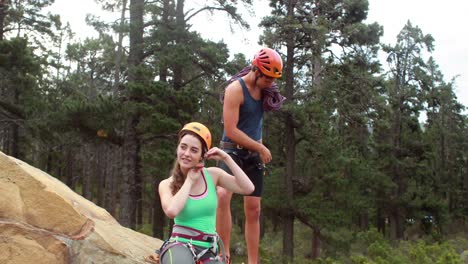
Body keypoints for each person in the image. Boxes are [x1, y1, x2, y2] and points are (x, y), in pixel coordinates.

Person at [217, 47, 285, 264]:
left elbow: (256, 122)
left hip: (253, 152)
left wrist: (260, 145)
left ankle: (253, 262)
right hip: (230, 150)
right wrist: (260, 148)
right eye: (268, 78)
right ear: (256, 70)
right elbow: (232, 129)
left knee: (254, 209)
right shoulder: (235, 90)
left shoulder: (265, 92)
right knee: (222, 195)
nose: (271, 83)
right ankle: (223, 254)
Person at [154, 122, 255, 264]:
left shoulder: (213, 176)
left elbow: (248, 188)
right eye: (183, 147)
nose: (186, 154)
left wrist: (226, 158)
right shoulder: (166, 184)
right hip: (179, 247)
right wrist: (189, 180)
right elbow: (171, 211)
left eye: (194, 150)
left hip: (208, 249)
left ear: (202, 155)